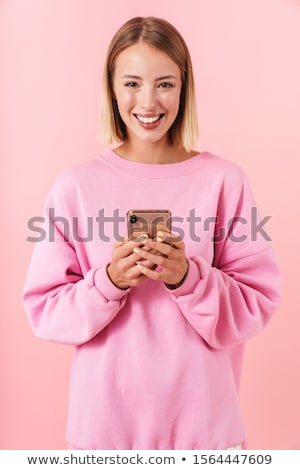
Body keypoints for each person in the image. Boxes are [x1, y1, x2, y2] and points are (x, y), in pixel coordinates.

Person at [22, 16, 281, 450]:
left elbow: (257, 301)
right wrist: (109, 281)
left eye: (164, 83)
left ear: (184, 88)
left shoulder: (224, 181)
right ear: (111, 88)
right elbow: (44, 308)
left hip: (205, 434)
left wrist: (187, 277)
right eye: (132, 83)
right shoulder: (74, 187)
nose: (148, 101)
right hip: (104, 436)